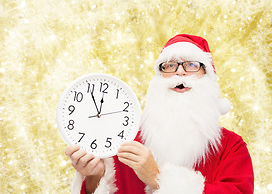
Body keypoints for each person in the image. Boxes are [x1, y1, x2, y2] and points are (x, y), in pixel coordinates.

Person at [65, 34, 254, 194]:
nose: (180, 73)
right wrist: (94, 177)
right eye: (170, 65)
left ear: (208, 76)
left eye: (191, 65)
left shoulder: (232, 147)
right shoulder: (125, 140)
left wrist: (158, 178)